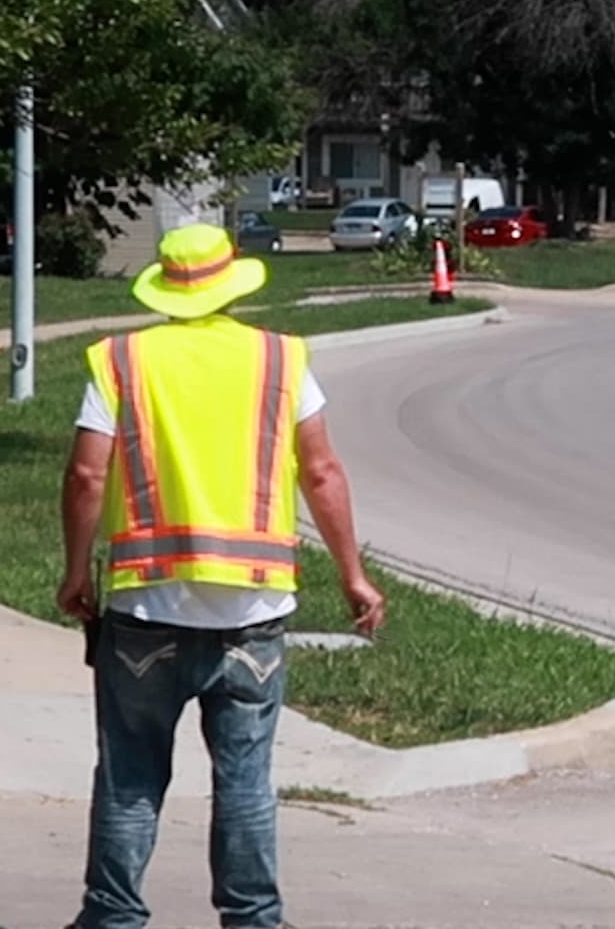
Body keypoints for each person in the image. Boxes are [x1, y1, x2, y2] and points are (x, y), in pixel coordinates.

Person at [56, 223, 387, 929]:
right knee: (245, 781)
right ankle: (252, 918)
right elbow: (323, 471)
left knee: (131, 776)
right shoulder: (279, 361)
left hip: (146, 609)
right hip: (253, 611)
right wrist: (352, 575)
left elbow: (88, 474)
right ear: (232, 280)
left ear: (164, 288)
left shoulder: (122, 361)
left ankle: (111, 917)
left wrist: (75, 572)